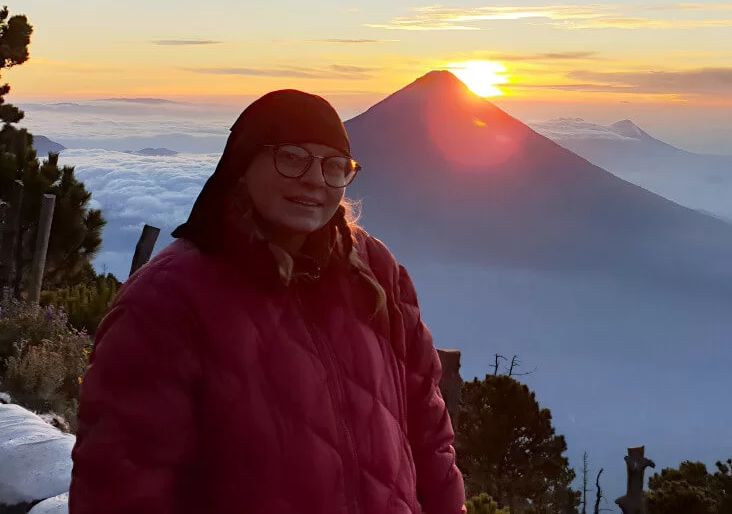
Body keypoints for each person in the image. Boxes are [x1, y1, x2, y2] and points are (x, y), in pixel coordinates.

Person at [69, 89, 465, 514]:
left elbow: (429, 436)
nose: (315, 179)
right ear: (242, 165)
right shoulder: (167, 301)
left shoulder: (375, 273)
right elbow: (121, 484)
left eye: (334, 165)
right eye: (292, 157)